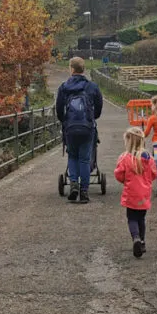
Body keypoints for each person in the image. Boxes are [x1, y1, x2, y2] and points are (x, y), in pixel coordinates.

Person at [55, 56, 103, 203]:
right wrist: (91, 118)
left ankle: (74, 184)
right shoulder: (92, 87)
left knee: (73, 156)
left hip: (70, 128)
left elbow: (58, 108)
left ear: (71, 69)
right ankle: (84, 191)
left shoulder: (64, 87)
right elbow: (99, 107)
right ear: (84, 69)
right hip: (87, 127)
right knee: (84, 159)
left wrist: (65, 121)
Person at [114, 127, 157, 258]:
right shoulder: (148, 158)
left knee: (132, 218)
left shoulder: (125, 158)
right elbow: (154, 174)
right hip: (144, 195)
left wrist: (125, 180)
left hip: (131, 193)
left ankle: (136, 238)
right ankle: (142, 241)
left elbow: (119, 174)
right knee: (141, 218)